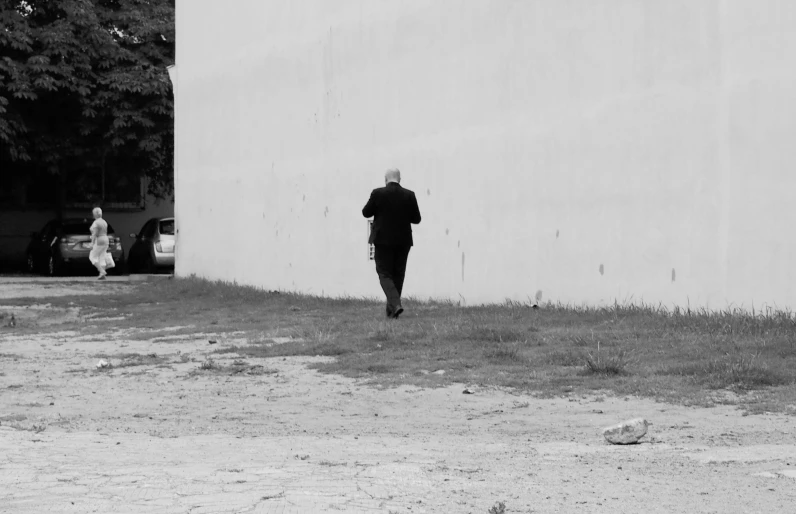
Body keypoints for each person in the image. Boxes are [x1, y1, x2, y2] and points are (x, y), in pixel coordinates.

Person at [362, 168, 422, 318]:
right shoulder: (410, 195)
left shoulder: (378, 193)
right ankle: (393, 311)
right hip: (404, 241)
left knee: (384, 273)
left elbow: (366, 212)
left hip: (382, 240)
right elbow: (416, 219)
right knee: (398, 274)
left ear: (385, 179)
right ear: (400, 179)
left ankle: (395, 305)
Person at [89, 207, 110, 280]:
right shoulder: (104, 222)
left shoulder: (96, 222)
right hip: (106, 239)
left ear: (94, 214)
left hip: (99, 240)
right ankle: (102, 275)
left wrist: (92, 243)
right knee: (102, 257)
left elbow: (95, 233)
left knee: (92, 256)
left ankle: (102, 271)